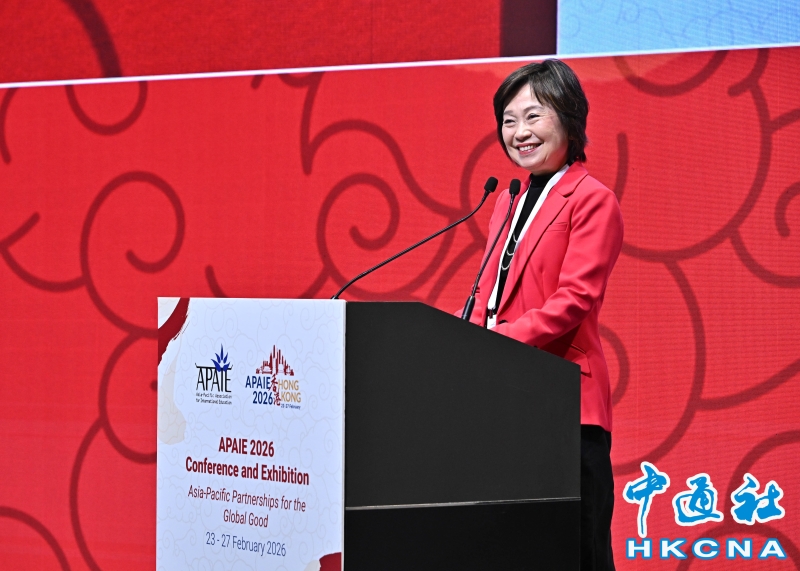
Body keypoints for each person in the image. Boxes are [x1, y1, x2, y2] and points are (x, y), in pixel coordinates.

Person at [462, 59, 623, 570]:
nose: (519, 132)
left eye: (533, 116)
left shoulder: (591, 199)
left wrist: (497, 341)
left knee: (577, 553)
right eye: (508, 120)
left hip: (567, 403)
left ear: (569, 118)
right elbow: (488, 291)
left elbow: (575, 299)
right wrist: (460, 342)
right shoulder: (507, 201)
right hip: (506, 401)